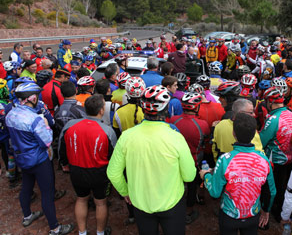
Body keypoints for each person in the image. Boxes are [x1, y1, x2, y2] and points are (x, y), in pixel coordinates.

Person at [107, 85, 196, 235]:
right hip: (172, 203)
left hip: (140, 203)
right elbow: (189, 175)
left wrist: (126, 192)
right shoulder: (175, 137)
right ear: (166, 110)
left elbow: (113, 173)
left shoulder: (127, 136)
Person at [5, 80, 73, 235]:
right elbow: (47, 140)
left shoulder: (11, 115)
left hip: (21, 158)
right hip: (39, 160)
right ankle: (55, 228)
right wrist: (45, 124)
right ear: (32, 98)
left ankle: (27, 216)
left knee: (26, 187)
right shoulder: (35, 119)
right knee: (47, 193)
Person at [201, 112, 276, 234]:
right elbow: (271, 191)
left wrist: (206, 176)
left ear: (233, 133)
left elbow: (215, 192)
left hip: (229, 216)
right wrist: (266, 210)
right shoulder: (264, 159)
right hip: (253, 215)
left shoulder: (225, 160)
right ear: (254, 135)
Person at [59, 94, 116, 235]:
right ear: (101, 111)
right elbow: (114, 156)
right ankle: (100, 232)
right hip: (99, 172)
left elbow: (61, 147)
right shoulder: (107, 131)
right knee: (101, 202)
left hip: (76, 170)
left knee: (81, 199)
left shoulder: (70, 126)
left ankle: (82, 232)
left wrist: (64, 163)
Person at [169, 92, 210, 225]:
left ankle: (173, 208)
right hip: (193, 160)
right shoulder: (202, 124)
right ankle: (188, 211)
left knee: (175, 183)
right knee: (192, 186)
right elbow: (206, 139)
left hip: (174, 159)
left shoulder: (173, 120)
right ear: (196, 107)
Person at [259, 86, 292, 221]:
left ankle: (266, 216)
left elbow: (261, 141)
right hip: (288, 157)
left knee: (270, 189)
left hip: (274, 159)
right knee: (281, 186)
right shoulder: (291, 114)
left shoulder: (273, 119)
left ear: (270, 101)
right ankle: (279, 212)